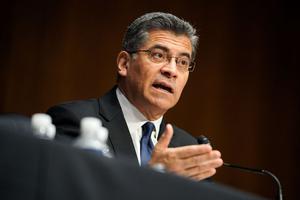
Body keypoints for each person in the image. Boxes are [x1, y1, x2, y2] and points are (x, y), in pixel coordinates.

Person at [47, 12, 223, 181]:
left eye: (182, 62)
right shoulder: (75, 120)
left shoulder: (188, 149)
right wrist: (153, 178)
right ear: (124, 63)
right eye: (158, 55)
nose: (171, 70)